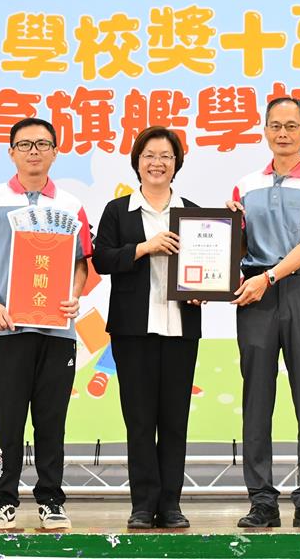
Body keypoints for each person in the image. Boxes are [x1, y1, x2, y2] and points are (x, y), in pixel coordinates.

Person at [0, 118, 92, 530]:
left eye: (42, 144)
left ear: (55, 151)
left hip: (58, 333)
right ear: (11, 152)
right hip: (7, 330)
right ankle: (2, 501)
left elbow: (81, 263)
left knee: (52, 420)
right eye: (24, 144)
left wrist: (74, 295)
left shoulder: (70, 205)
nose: (33, 151)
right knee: (8, 421)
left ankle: (51, 500)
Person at [227, 97, 300, 528]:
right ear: (264, 130)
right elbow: (236, 244)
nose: (283, 133)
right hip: (254, 293)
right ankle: (261, 500)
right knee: (256, 397)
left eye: (292, 126)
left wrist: (270, 277)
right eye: (275, 125)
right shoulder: (245, 185)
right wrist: (229, 228)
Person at [93, 126, 202, 529]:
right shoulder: (117, 210)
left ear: (177, 164)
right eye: (149, 156)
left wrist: (203, 291)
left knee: (175, 421)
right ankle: (142, 504)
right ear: (137, 162)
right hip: (133, 330)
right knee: (139, 421)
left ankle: (170, 504)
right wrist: (144, 247)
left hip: (180, 328)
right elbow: (102, 259)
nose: (157, 163)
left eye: (166, 156)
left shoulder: (193, 212)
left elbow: (208, 268)